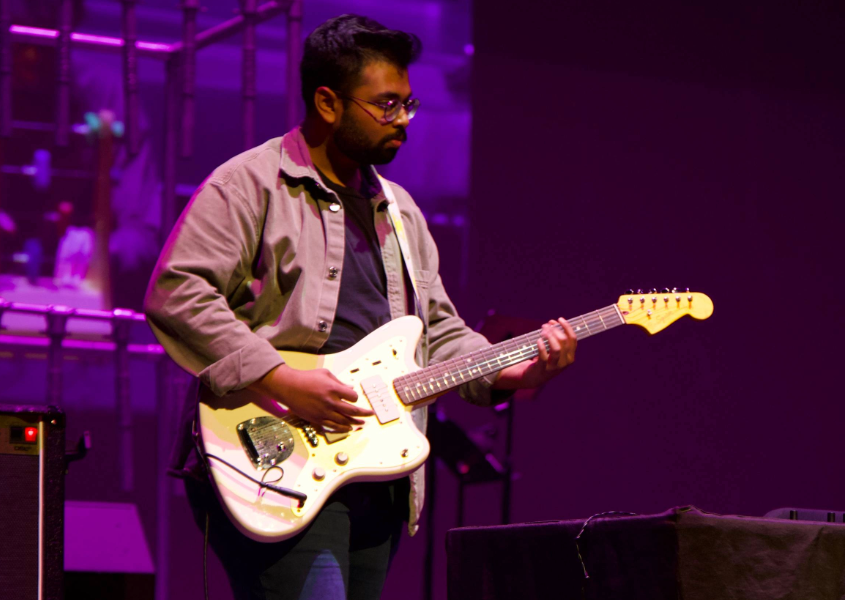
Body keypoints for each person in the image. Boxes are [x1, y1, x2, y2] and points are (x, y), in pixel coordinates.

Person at [144, 15, 577, 598]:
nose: (403, 122)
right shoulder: (249, 184)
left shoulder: (401, 212)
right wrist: (282, 378)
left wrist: (511, 368)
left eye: (408, 104)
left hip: (377, 470)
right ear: (327, 102)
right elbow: (178, 293)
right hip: (276, 454)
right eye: (386, 105)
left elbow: (440, 333)